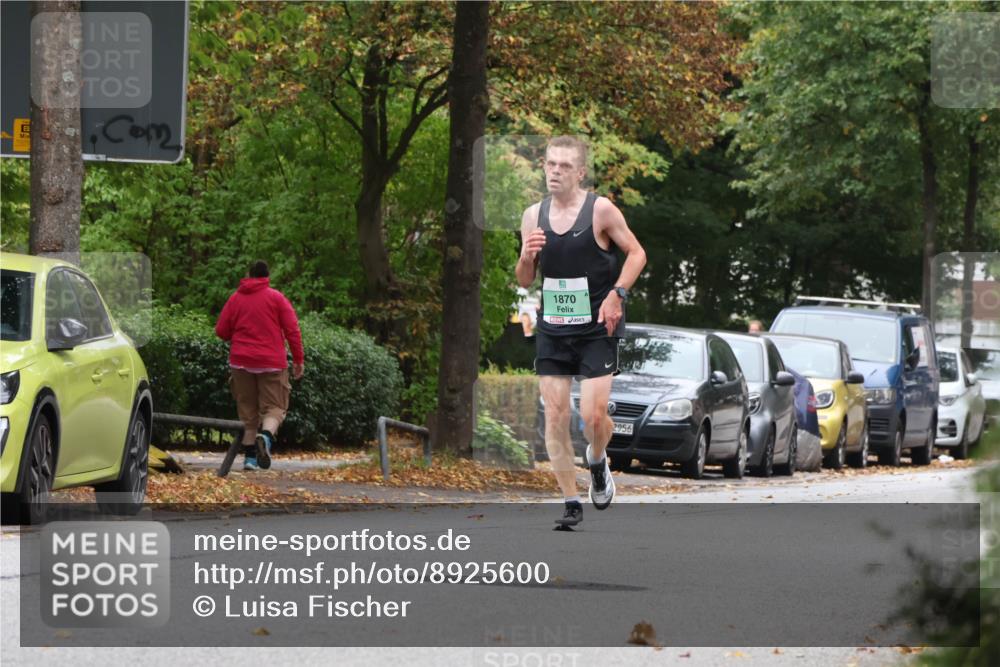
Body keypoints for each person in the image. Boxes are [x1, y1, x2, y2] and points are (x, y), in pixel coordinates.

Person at [516, 136, 647, 527]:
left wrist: (616, 295)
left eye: (564, 166)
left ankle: (596, 458)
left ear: (581, 172)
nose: (555, 171)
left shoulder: (600, 210)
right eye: (550, 164)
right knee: (555, 414)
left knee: (592, 418)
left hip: (596, 327)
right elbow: (525, 280)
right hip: (553, 328)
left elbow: (637, 253)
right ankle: (571, 501)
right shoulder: (531, 215)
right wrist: (526, 255)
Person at [215, 260, 305, 471]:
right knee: (275, 408)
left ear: (249, 275)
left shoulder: (235, 298)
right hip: (271, 362)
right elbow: (292, 330)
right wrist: (298, 360)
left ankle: (250, 459)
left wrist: (237, 335)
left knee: (247, 411)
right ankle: (265, 437)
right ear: (267, 276)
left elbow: (221, 330)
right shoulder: (276, 298)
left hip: (241, 361)